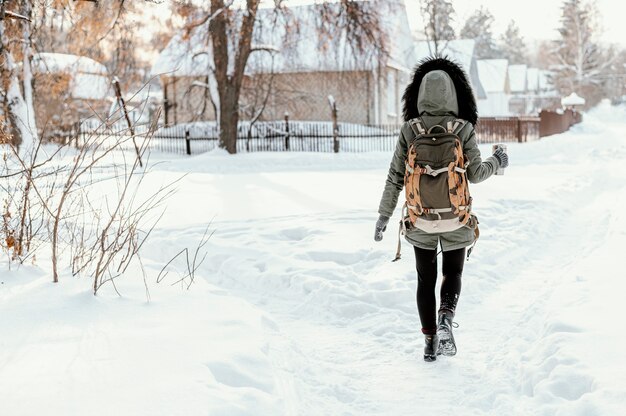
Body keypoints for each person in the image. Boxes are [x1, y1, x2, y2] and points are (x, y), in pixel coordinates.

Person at [374, 57, 508, 362]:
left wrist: (383, 216)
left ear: (419, 94)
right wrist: (497, 162)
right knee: (453, 272)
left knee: (425, 280)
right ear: (455, 93)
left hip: (420, 219)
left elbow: (395, 176)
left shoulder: (410, 130)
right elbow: (475, 174)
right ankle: (446, 317)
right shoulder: (463, 128)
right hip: (457, 218)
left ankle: (429, 341)